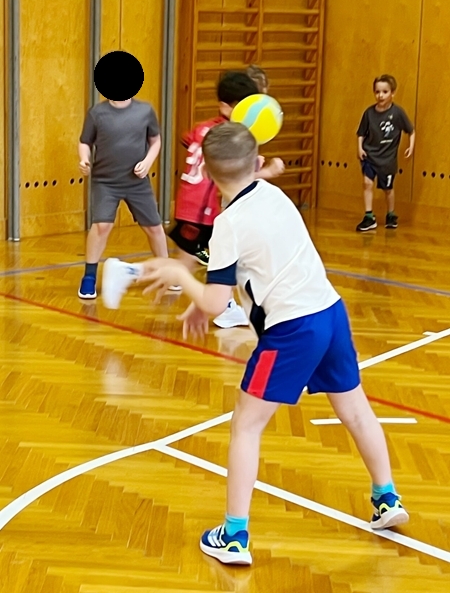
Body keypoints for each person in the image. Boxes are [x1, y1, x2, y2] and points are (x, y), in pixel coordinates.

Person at [101, 121, 409, 566]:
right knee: (356, 411)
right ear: (258, 163)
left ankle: (233, 536)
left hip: (292, 332)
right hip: (330, 314)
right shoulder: (274, 195)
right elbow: (233, 281)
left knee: (246, 425)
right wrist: (201, 304)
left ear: (207, 174)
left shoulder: (227, 225)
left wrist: (179, 274)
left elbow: (216, 298)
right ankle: (387, 497)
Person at [171, 70, 284, 328]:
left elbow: (188, 139)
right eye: (242, 108)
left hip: (192, 203)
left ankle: (227, 305)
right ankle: (129, 272)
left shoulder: (206, 128)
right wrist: (268, 171)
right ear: (225, 106)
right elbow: (232, 174)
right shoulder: (229, 137)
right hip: (201, 209)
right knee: (186, 265)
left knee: (222, 256)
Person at [77, 96, 176, 299]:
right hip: (105, 182)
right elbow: (84, 142)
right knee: (102, 226)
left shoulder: (145, 110)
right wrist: (84, 159)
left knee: (154, 228)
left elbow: (155, 140)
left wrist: (147, 162)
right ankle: (89, 277)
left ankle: (166, 272)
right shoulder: (96, 113)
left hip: (137, 183)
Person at [356, 74, 415, 231]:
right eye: (377, 92)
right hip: (370, 156)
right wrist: (360, 148)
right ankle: (369, 216)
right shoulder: (369, 113)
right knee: (367, 183)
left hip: (387, 160)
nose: (380, 95)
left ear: (392, 93)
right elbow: (361, 133)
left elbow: (411, 130)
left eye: (384, 92)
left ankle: (391, 214)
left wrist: (411, 146)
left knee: (388, 189)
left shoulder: (398, 113)